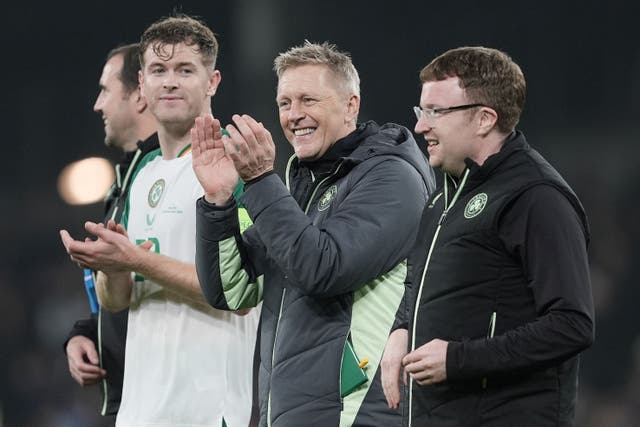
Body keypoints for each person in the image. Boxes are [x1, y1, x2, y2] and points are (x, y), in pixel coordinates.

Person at [191, 41, 436, 426]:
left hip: (354, 412)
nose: (294, 115)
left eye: (309, 100)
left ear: (351, 105)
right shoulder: (299, 185)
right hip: (293, 412)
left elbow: (323, 268)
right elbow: (229, 289)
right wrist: (218, 201)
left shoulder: (391, 177)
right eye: (285, 103)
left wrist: (259, 180)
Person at [60, 15, 259, 427]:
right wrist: (111, 267)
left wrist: (136, 261)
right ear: (143, 85)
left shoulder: (236, 164)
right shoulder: (143, 171)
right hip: (140, 409)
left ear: (213, 82)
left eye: (185, 70)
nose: (169, 82)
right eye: (158, 70)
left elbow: (239, 295)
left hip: (207, 409)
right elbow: (118, 301)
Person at [381, 46, 595, 426]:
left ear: (483, 119)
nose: (420, 126)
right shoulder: (443, 198)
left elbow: (572, 324)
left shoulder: (537, 197)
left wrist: (458, 359)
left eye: (435, 112)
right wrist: (401, 329)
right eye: (421, 110)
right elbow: (419, 282)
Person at [63, 42, 158, 418]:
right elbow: (137, 289)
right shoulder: (125, 180)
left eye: (105, 90)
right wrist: (87, 332)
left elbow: (220, 283)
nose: (97, 105)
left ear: (138, 95)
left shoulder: (174, 175)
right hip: (128, 398)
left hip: (167, 399)